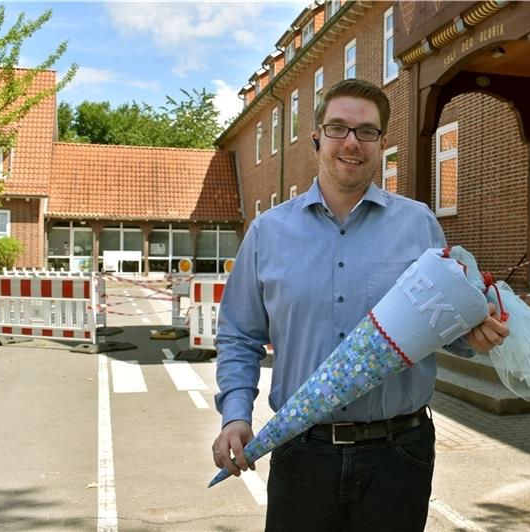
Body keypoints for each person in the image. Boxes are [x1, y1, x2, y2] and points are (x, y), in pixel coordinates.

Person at [212, 78, 508, 532]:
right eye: (338, 128)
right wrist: (236, 412)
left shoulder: (419, 225)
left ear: (382, 143)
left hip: (398, 452)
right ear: (317, 138)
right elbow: (239, 334)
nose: (351, 142)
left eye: (366, 131)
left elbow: (446, 327)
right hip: (301, 449)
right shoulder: (268, 233)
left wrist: (476, 334)